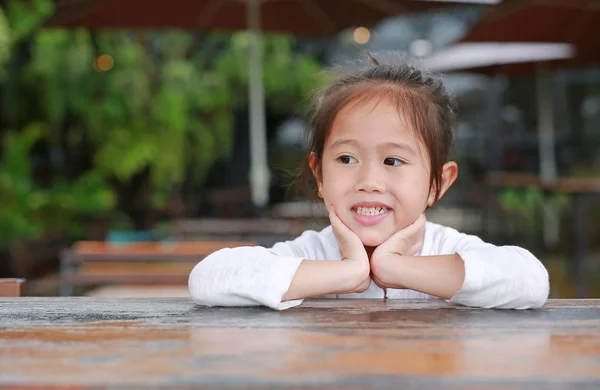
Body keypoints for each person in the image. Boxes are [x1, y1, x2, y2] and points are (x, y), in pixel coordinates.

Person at [188, 54, 549, 310]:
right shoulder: (310, 253)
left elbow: (530, 281)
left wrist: (395, 267)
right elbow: (209, 278)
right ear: (320, 175)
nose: (369, 181)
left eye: (393, 160)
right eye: (347, 159)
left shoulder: (450, 248)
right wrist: (348, 272)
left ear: (438, 183)